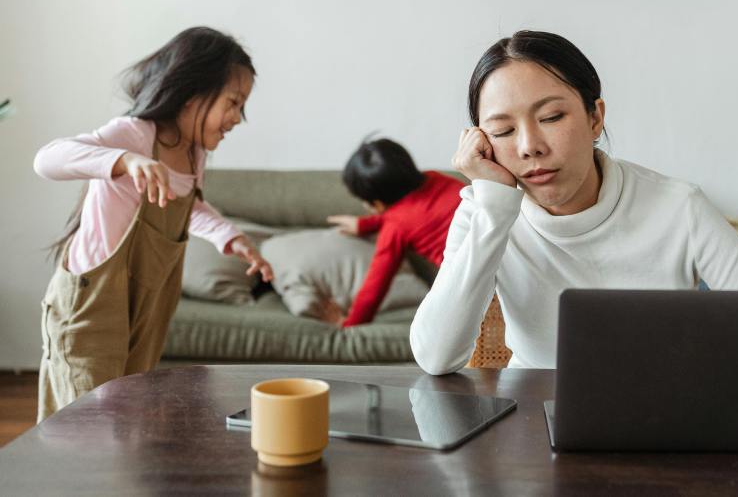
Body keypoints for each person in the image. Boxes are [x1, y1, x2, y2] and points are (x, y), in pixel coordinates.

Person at [410, 30, 738, 376]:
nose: (529, 147)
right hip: (532, 429)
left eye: (551, 117)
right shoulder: (486, 211)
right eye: (502, 131)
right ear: (481, 142)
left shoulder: (678, 208)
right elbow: (435, 357)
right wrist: (494, 206)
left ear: (595, 117)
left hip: (661, 421)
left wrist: (698, 360)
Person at [33, 26, 274, 420]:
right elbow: (46, 159)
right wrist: (125, 160)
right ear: (192, 94)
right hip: (91, 305)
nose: (237, 118)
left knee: (126, 414)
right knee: (86, 421)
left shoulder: (193, 154)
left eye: (242, 107)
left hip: (146, 308)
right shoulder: (133, 135)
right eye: (232, 103)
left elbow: (188, 207)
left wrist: (233, 238)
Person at [326, 138, 464, 327]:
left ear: (377, 203)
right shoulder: (436, 178)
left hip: (468, 283)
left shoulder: (395, 228)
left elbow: (375, 285)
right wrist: (365, 225)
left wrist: (350, 322)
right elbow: (417, 211)